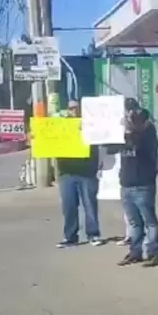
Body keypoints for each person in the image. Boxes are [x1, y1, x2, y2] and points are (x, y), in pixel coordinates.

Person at [110, 108, 158, 267]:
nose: (130, 120)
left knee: (149, 221)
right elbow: (110, 148)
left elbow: (137, 145)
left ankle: (153, 252)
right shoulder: (125, 135)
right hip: (126, 184)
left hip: (143, 185)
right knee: (134, 223)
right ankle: (135, 252)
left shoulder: (148, 136)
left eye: (134, 118)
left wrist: (129, 128)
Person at [55, 100, 103, 248]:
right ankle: (70, 236)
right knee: (68, 207)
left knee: (90, 205)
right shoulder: (60, 126)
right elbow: (48, 140)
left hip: (87, 171)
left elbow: (101, 138)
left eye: (76, 108)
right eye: (70, 108)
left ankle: (93, 234)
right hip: (66, 172)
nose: (73, 111)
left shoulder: (90, 124)